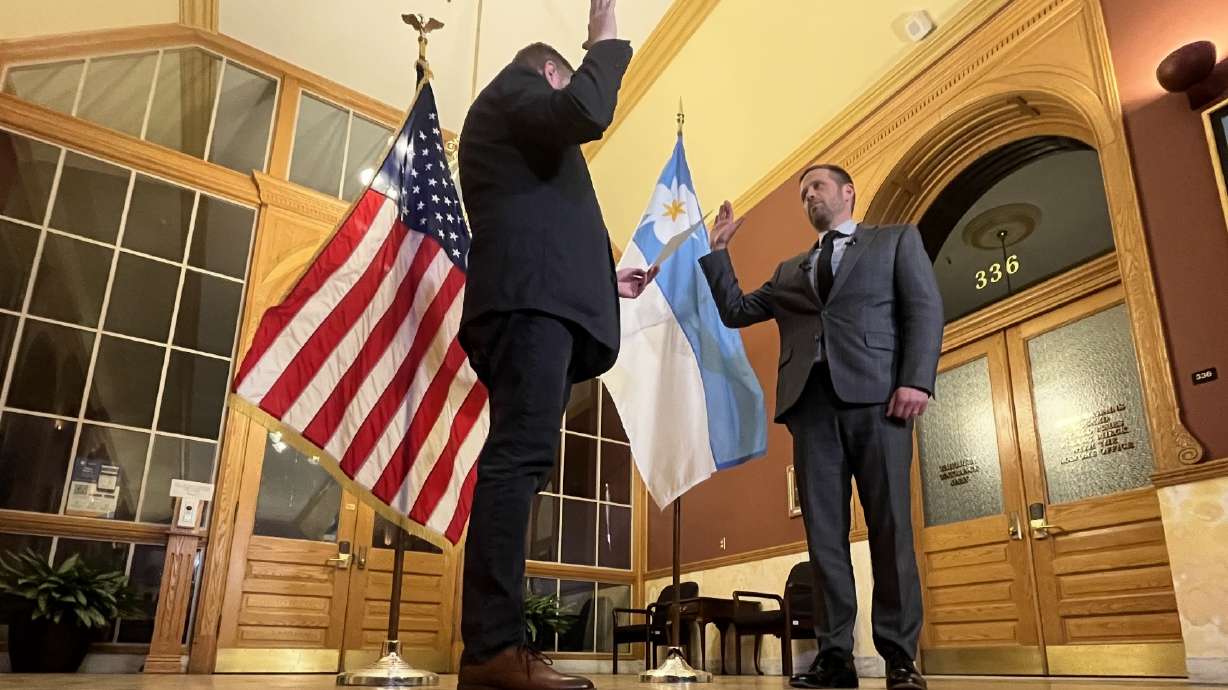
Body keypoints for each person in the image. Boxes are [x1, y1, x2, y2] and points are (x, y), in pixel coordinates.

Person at [455, 2, 654, 688]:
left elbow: (542, 214)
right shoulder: (520, 87)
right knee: (518, 460)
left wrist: (604, 277)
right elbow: (585, 114)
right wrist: (606, 43)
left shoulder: (519, 130)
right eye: (569, 78)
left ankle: (494, 650)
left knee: (522, 459)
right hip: (529, 302)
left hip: (541, 299)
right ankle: (491, 652)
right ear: (551, 71)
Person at [699, 165, 943, 690]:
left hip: (881, 402)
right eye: (804, 191)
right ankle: (836, 658)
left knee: (891, 528)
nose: (810, 195)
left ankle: (900, 657)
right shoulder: (791, 271)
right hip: (812, 410)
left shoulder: (895, 241)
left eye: (818, 186)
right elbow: (737, 311)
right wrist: (718, 252)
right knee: (825, 538)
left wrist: (916, 380)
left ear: (847, 192)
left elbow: (923, 309)